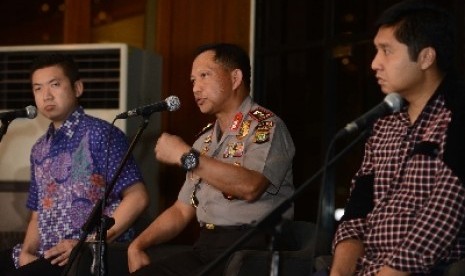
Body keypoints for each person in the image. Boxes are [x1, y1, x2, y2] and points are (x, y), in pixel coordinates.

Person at [127, 43, 295, 275]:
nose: (196, 88)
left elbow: (251, 186)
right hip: (207, 246)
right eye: (193, 80)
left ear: (235, 78)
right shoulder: (204, 140)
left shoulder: (266, 126)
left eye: (205, 75)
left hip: (253, 249)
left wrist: (187, 157)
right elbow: (181, 211)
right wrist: (138, 244)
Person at [330, 1, 465, 275]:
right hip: (370, 268)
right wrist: (340, 271)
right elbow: (359, 207)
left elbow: (445, 210)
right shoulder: (384, 125)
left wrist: (392, 270)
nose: (374, 64)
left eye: (386, 51)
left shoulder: (456, 116)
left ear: (426, 58)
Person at [0, 53, 149, 276]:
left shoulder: (101, 133)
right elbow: (37, 213)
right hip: (47, 253)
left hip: (87, 254)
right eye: (38, 88)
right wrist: (27, 252)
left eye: (55, 85)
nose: (46, 96)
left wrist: (84, 243)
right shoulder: (39, 148)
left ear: (77, 88)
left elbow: (138, 197)